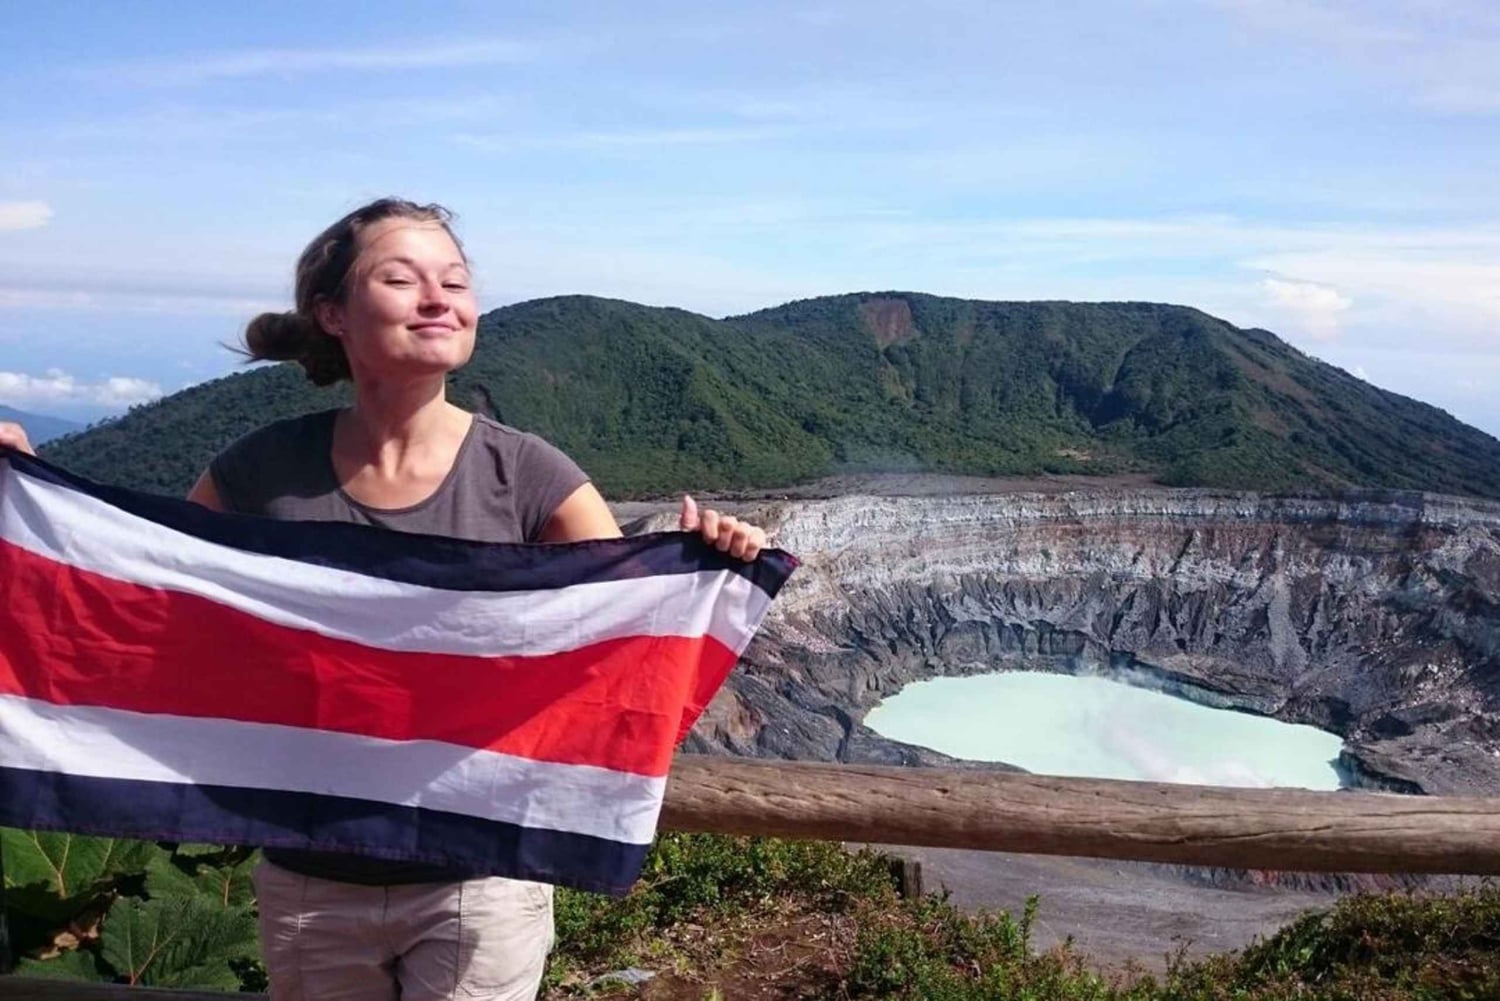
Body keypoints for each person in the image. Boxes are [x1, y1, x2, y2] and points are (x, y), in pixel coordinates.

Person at [0, 196, 767, 1001]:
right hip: (311, 880)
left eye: (456, 281)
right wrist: (30, 501)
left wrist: (708, 560)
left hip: (478, 880)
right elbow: (149, 612)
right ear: (332, 313)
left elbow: (617, 641)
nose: (440, 298)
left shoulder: (534, 477)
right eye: (403, 279)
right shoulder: (260, 471)